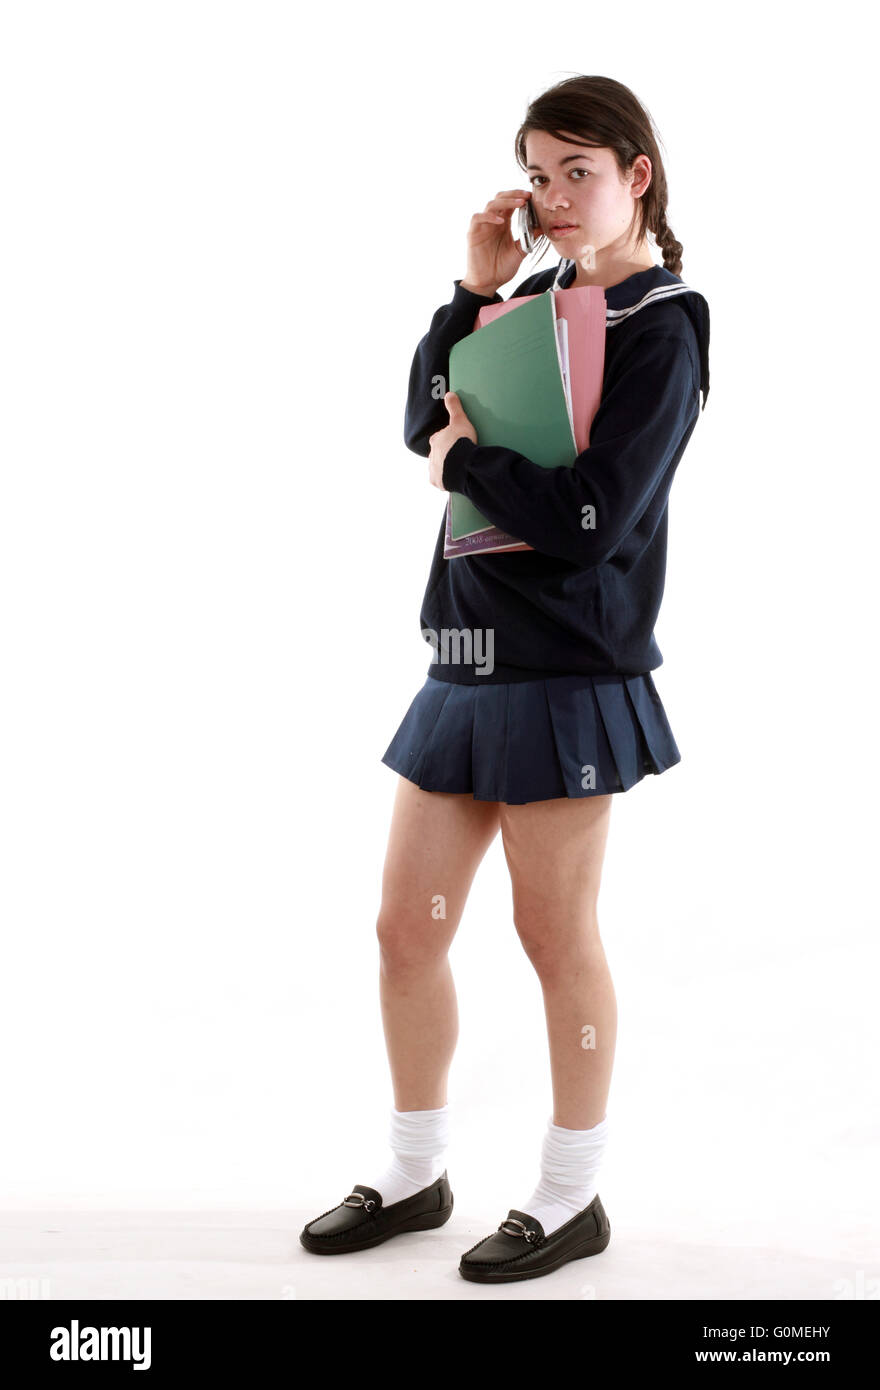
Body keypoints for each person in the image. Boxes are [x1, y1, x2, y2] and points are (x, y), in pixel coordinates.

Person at [301, 74, 710, 1284]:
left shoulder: (665, 325)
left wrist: (465, 460)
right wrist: (473, 290)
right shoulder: (525, 302)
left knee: (551, 934)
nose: (552, 197)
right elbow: (419, 424)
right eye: (538, 174)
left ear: (635, 174)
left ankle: (569, 1194)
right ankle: (415, 1171)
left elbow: (591, 520)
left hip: (568, 668)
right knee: (403, 931)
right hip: (466, 653)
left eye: (576, 171)